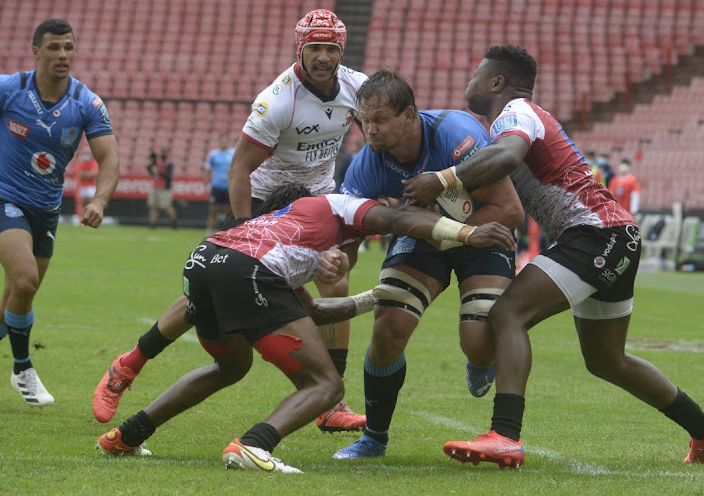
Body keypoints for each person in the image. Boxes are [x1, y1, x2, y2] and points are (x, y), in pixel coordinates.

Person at [402, 45, 704, 468]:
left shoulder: (516, 112)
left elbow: (506, 157)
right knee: (606, 361)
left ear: (497, 83)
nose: (469, 82)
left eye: (476, 74)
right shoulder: (513, 120)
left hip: (595, 234)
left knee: (508, 315)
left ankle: (505, 435)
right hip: (612, 235)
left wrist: (442, 179)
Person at [96, 183, 517, 474]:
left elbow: (310, 311)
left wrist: (373, 298)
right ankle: (254, 444)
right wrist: (466, 232)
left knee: (230, 368)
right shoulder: (340, 204)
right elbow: (400, 220)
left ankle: (125, 436)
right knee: (326, 386)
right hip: (247, 273)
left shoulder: (289, 234)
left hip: (205, 261)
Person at [93, 8, 370, 432]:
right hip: (263, 201)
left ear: (341, 52)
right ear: (301, 49)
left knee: (337, 277)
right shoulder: (278, 100)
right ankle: (129, 364)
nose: (323, 57)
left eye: (331, 48)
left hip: (317, 200)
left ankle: (333, 403)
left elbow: (377, 140)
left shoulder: (358, 88)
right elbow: (239, 168)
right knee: (205, 296)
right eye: (314, 47)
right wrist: (247, 226)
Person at [332, 70, 525, 460]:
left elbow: (510, 209)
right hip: (426, 235)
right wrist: (335, 259)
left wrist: (453, 231)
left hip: (485, 228)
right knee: (388, 329)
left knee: (479, 341)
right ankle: (374, 437)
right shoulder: (366, 164)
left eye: (381, 120)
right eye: (365, 120)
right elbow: (345, 233)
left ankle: (481, 360)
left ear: (409, 115)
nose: (371, 130)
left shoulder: (455, 135)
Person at [0, 19, 120, 406]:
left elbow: (109, 158)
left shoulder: (87, 102)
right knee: (24, 281)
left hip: (46, 211)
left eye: (68, 47)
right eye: (53, 48)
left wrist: (99, 201)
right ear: (36, 51)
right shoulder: (10, 89)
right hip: (6, 199)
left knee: (14, 303)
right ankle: (23, 369)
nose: (62, 55)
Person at [204, 133, 234, 235]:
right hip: (216, 187)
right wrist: (207, 185)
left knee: (227, 212)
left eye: (225, 141)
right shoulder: (213, 155)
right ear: (219, 142)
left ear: (227, 142)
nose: (223, 142)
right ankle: (209, 233)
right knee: (213, 211)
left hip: (228, 187)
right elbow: (208, 170)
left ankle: (225, 234)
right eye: (222, 141)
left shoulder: (233, 154)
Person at [146, 147, 178, 229]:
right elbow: (150, 170)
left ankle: (174, 222)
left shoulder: (169, 163)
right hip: (155, 186)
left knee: (166, 207)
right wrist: (150, 166)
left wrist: (158, 172)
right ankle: (152, 224)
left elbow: (168, 176)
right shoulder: (157, 162)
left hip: (164, 188)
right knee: (153, 206)